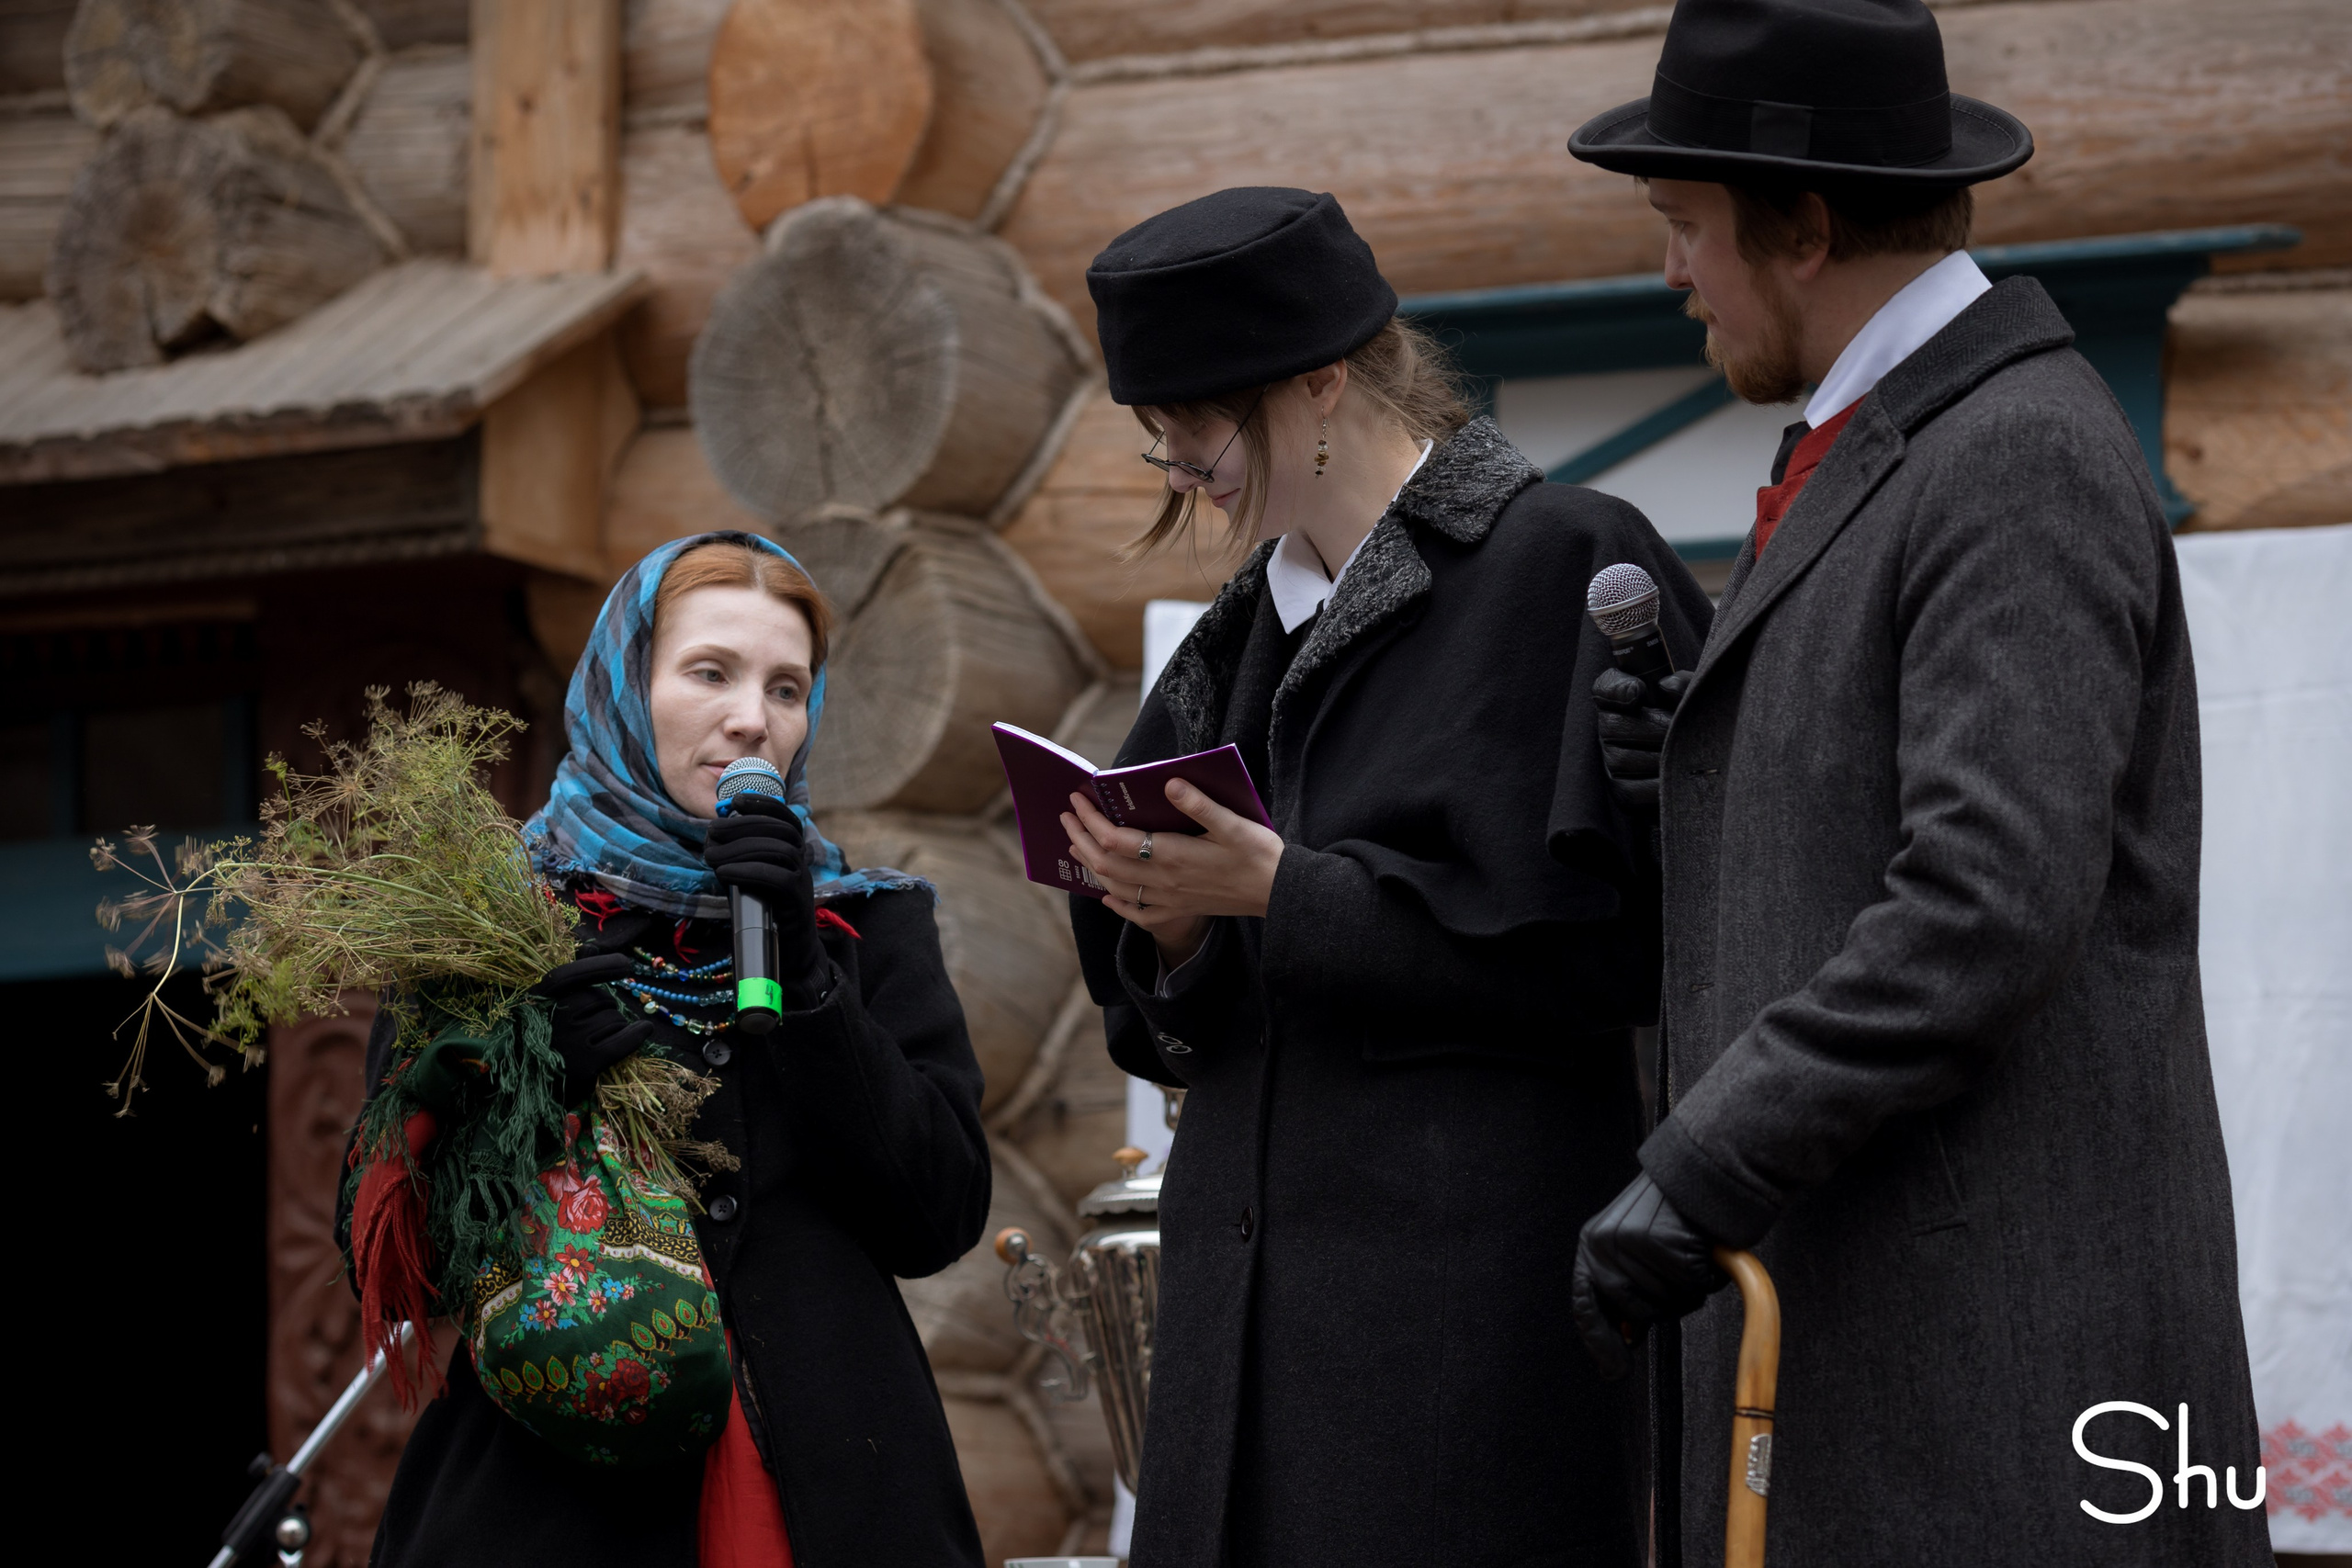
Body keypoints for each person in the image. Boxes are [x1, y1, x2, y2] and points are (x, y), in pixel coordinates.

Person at [1563, 3, 2267, 1564]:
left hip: (2002, 1367)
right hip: (1889, 1354)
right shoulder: (1888, 440)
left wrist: (1697, 1165)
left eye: (1686, 227)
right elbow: (1879, 818)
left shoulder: (2010, 450)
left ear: (1803, 227)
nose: (1668, 271)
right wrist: (1708, 761)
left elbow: (1982, 902)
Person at [1061, 186, 1713, 1568]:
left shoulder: (1567, 565)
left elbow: (1630, 952)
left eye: (1198, 424)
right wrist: (1172, 928)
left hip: (1465, 1345)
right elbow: (1169, 1013)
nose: (1178, 466)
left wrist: (1287, 893)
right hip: (1237, 1343)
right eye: (1155, 434)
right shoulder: (1228, 643)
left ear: (1322, 381)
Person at [341, 533, 991, 1567]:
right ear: (622, 686)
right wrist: (523, 1087)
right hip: (550, 1508)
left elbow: (937, 1215)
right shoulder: (493, 923)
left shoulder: (867, 927)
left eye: (789, 688)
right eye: (709, 673)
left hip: (836, 1493)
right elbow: (390, 1258)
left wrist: (805, 972)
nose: (752, 719)